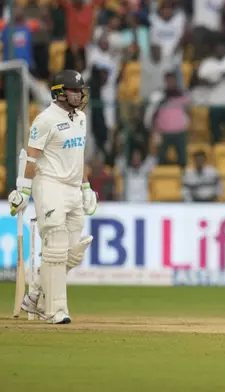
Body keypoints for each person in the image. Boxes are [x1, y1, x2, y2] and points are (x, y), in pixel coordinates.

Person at [8, 70, 98, 324]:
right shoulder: (45, 120)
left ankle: (34, 293)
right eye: (74, 90)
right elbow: (32, 157)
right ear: (59, 93)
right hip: (50, 185)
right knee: (56, 245)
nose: (80, 94)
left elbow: (78, 158)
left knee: (72, 252)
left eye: (81, 90)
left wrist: (86, 187)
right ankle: (55, 311)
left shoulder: (80, 118)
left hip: (72, 187)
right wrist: (24, 190)